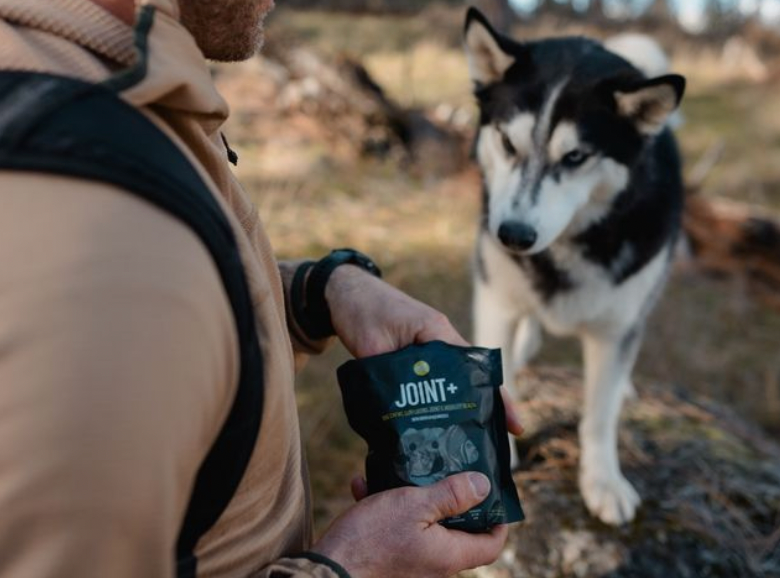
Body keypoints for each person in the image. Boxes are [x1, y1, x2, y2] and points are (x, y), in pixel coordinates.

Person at [0, 1, 522, 576]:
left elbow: (175, 302)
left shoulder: (108, 78)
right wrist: (351, 567)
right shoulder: (92, 206)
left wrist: (323, 291)